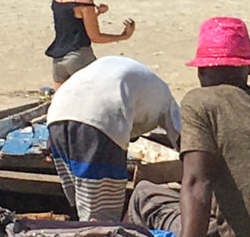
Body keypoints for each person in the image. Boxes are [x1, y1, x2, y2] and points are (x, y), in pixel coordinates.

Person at [127, 16, 250, 237]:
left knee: (144, 195)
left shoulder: (200, 102)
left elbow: (196, 183)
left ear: (201, 71)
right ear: (249, 69)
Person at [47, 56, 181, 223]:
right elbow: (183, 140)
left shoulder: (143, 83)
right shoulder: (168, 103)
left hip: (57, 114)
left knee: (82, 200)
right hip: (99, 121)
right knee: (102, 218)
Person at [44, 0, 135, 89]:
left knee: (61, 104)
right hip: (79, 57)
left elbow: (72, 24)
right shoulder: (84, 1)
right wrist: (123, 36)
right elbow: (95, 37)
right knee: (102, 96)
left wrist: (96, 13)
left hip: (58, 60)